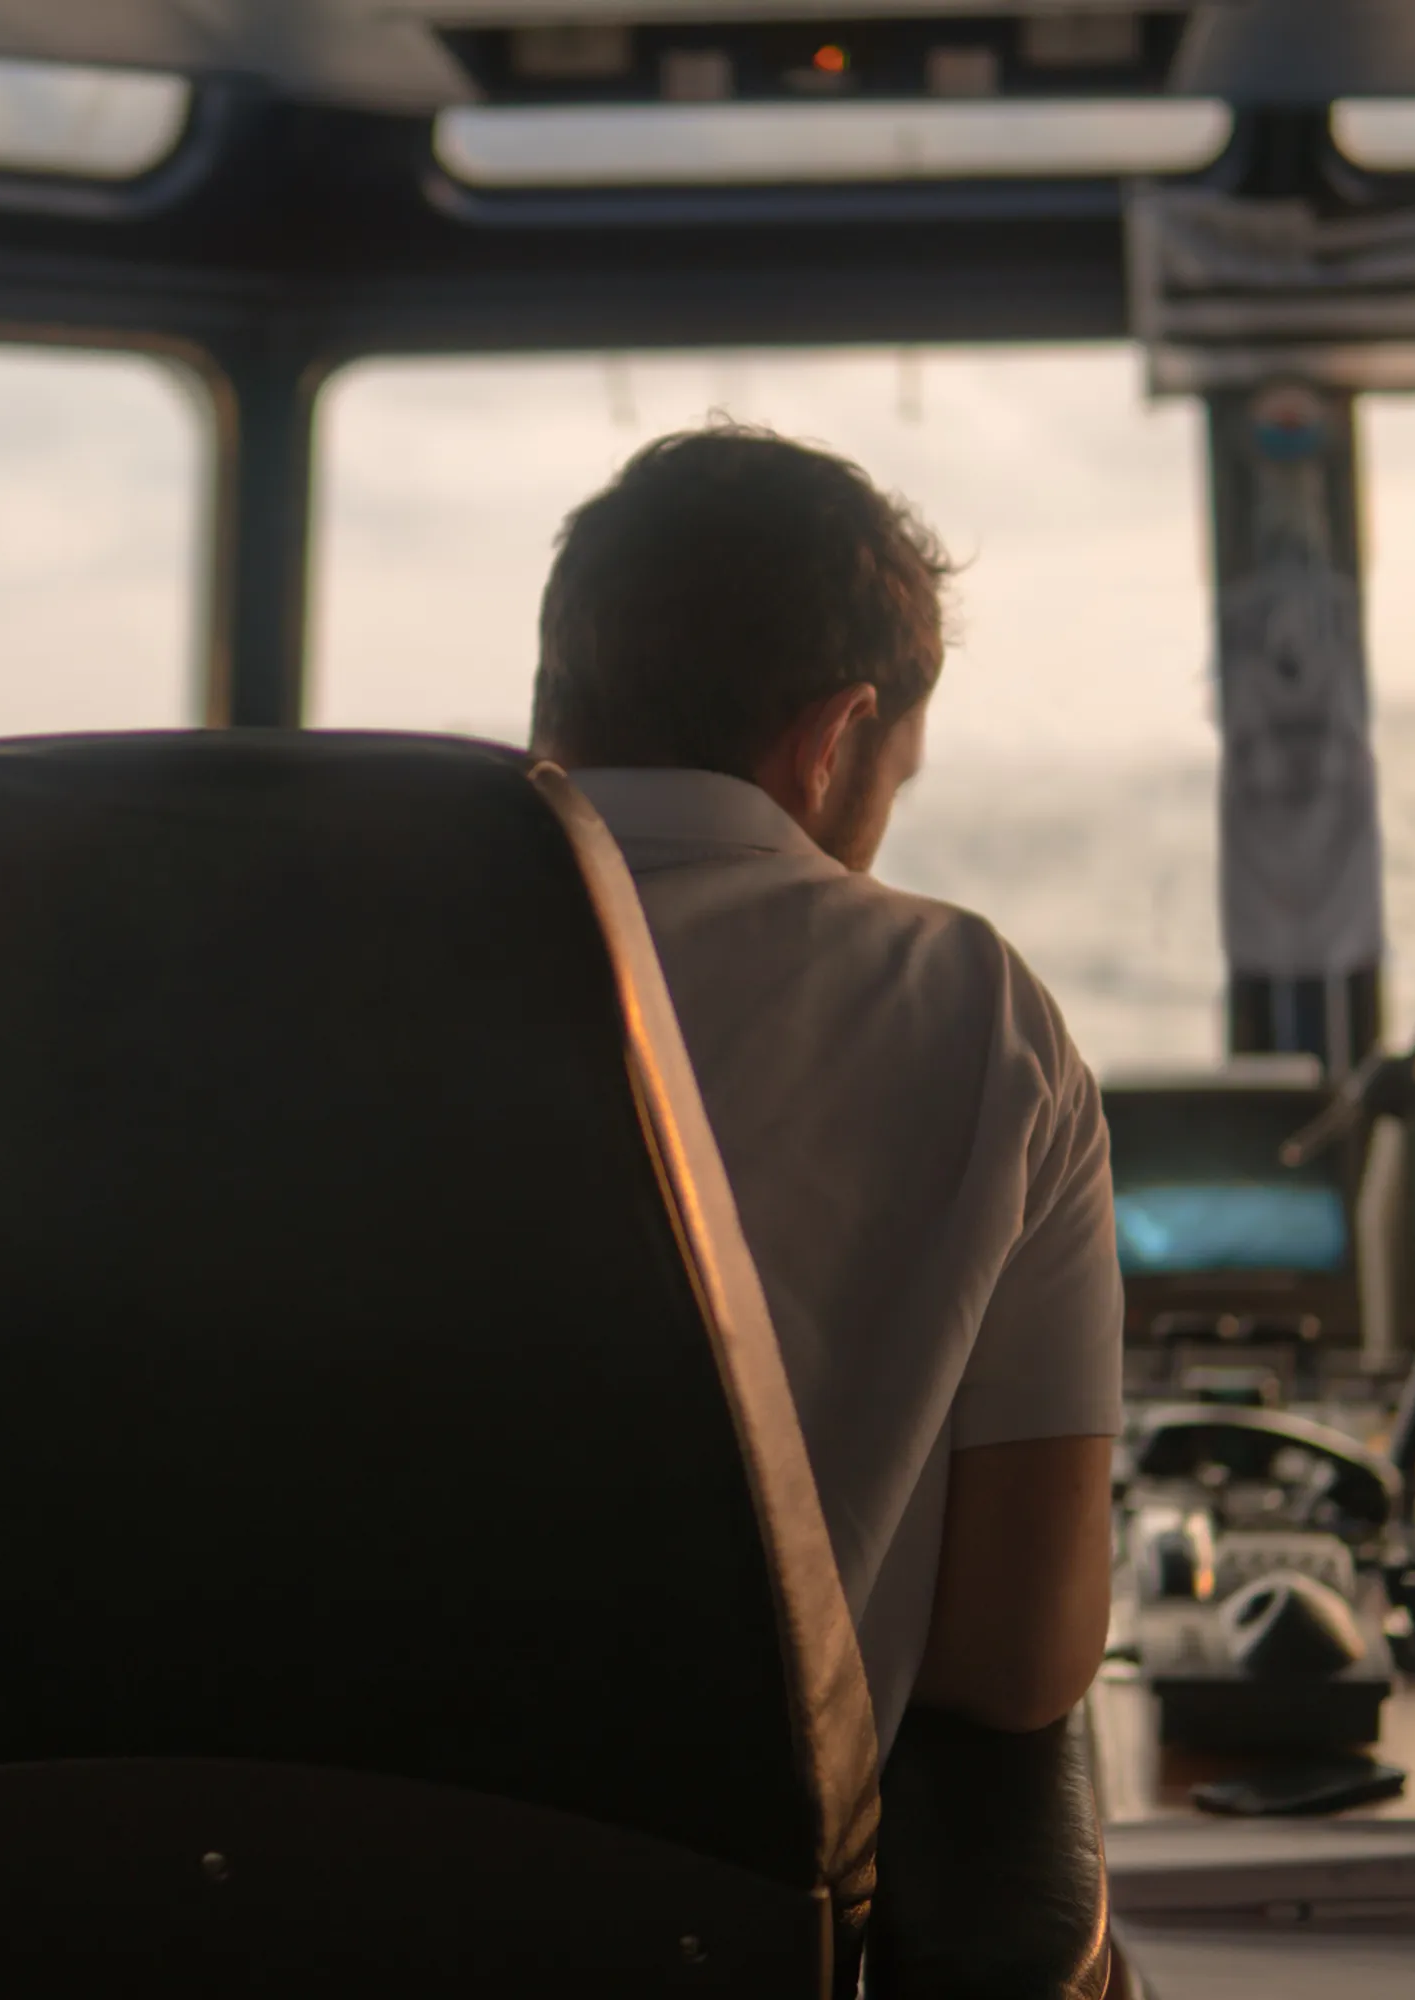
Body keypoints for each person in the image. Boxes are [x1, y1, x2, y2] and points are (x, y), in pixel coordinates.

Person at [534, 424, 1120, 1752]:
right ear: (837, 736)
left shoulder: (330, 939)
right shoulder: (978, 1011)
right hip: (711, 1901)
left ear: (555, 692)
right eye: (893, 780)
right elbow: (1017, 1663)